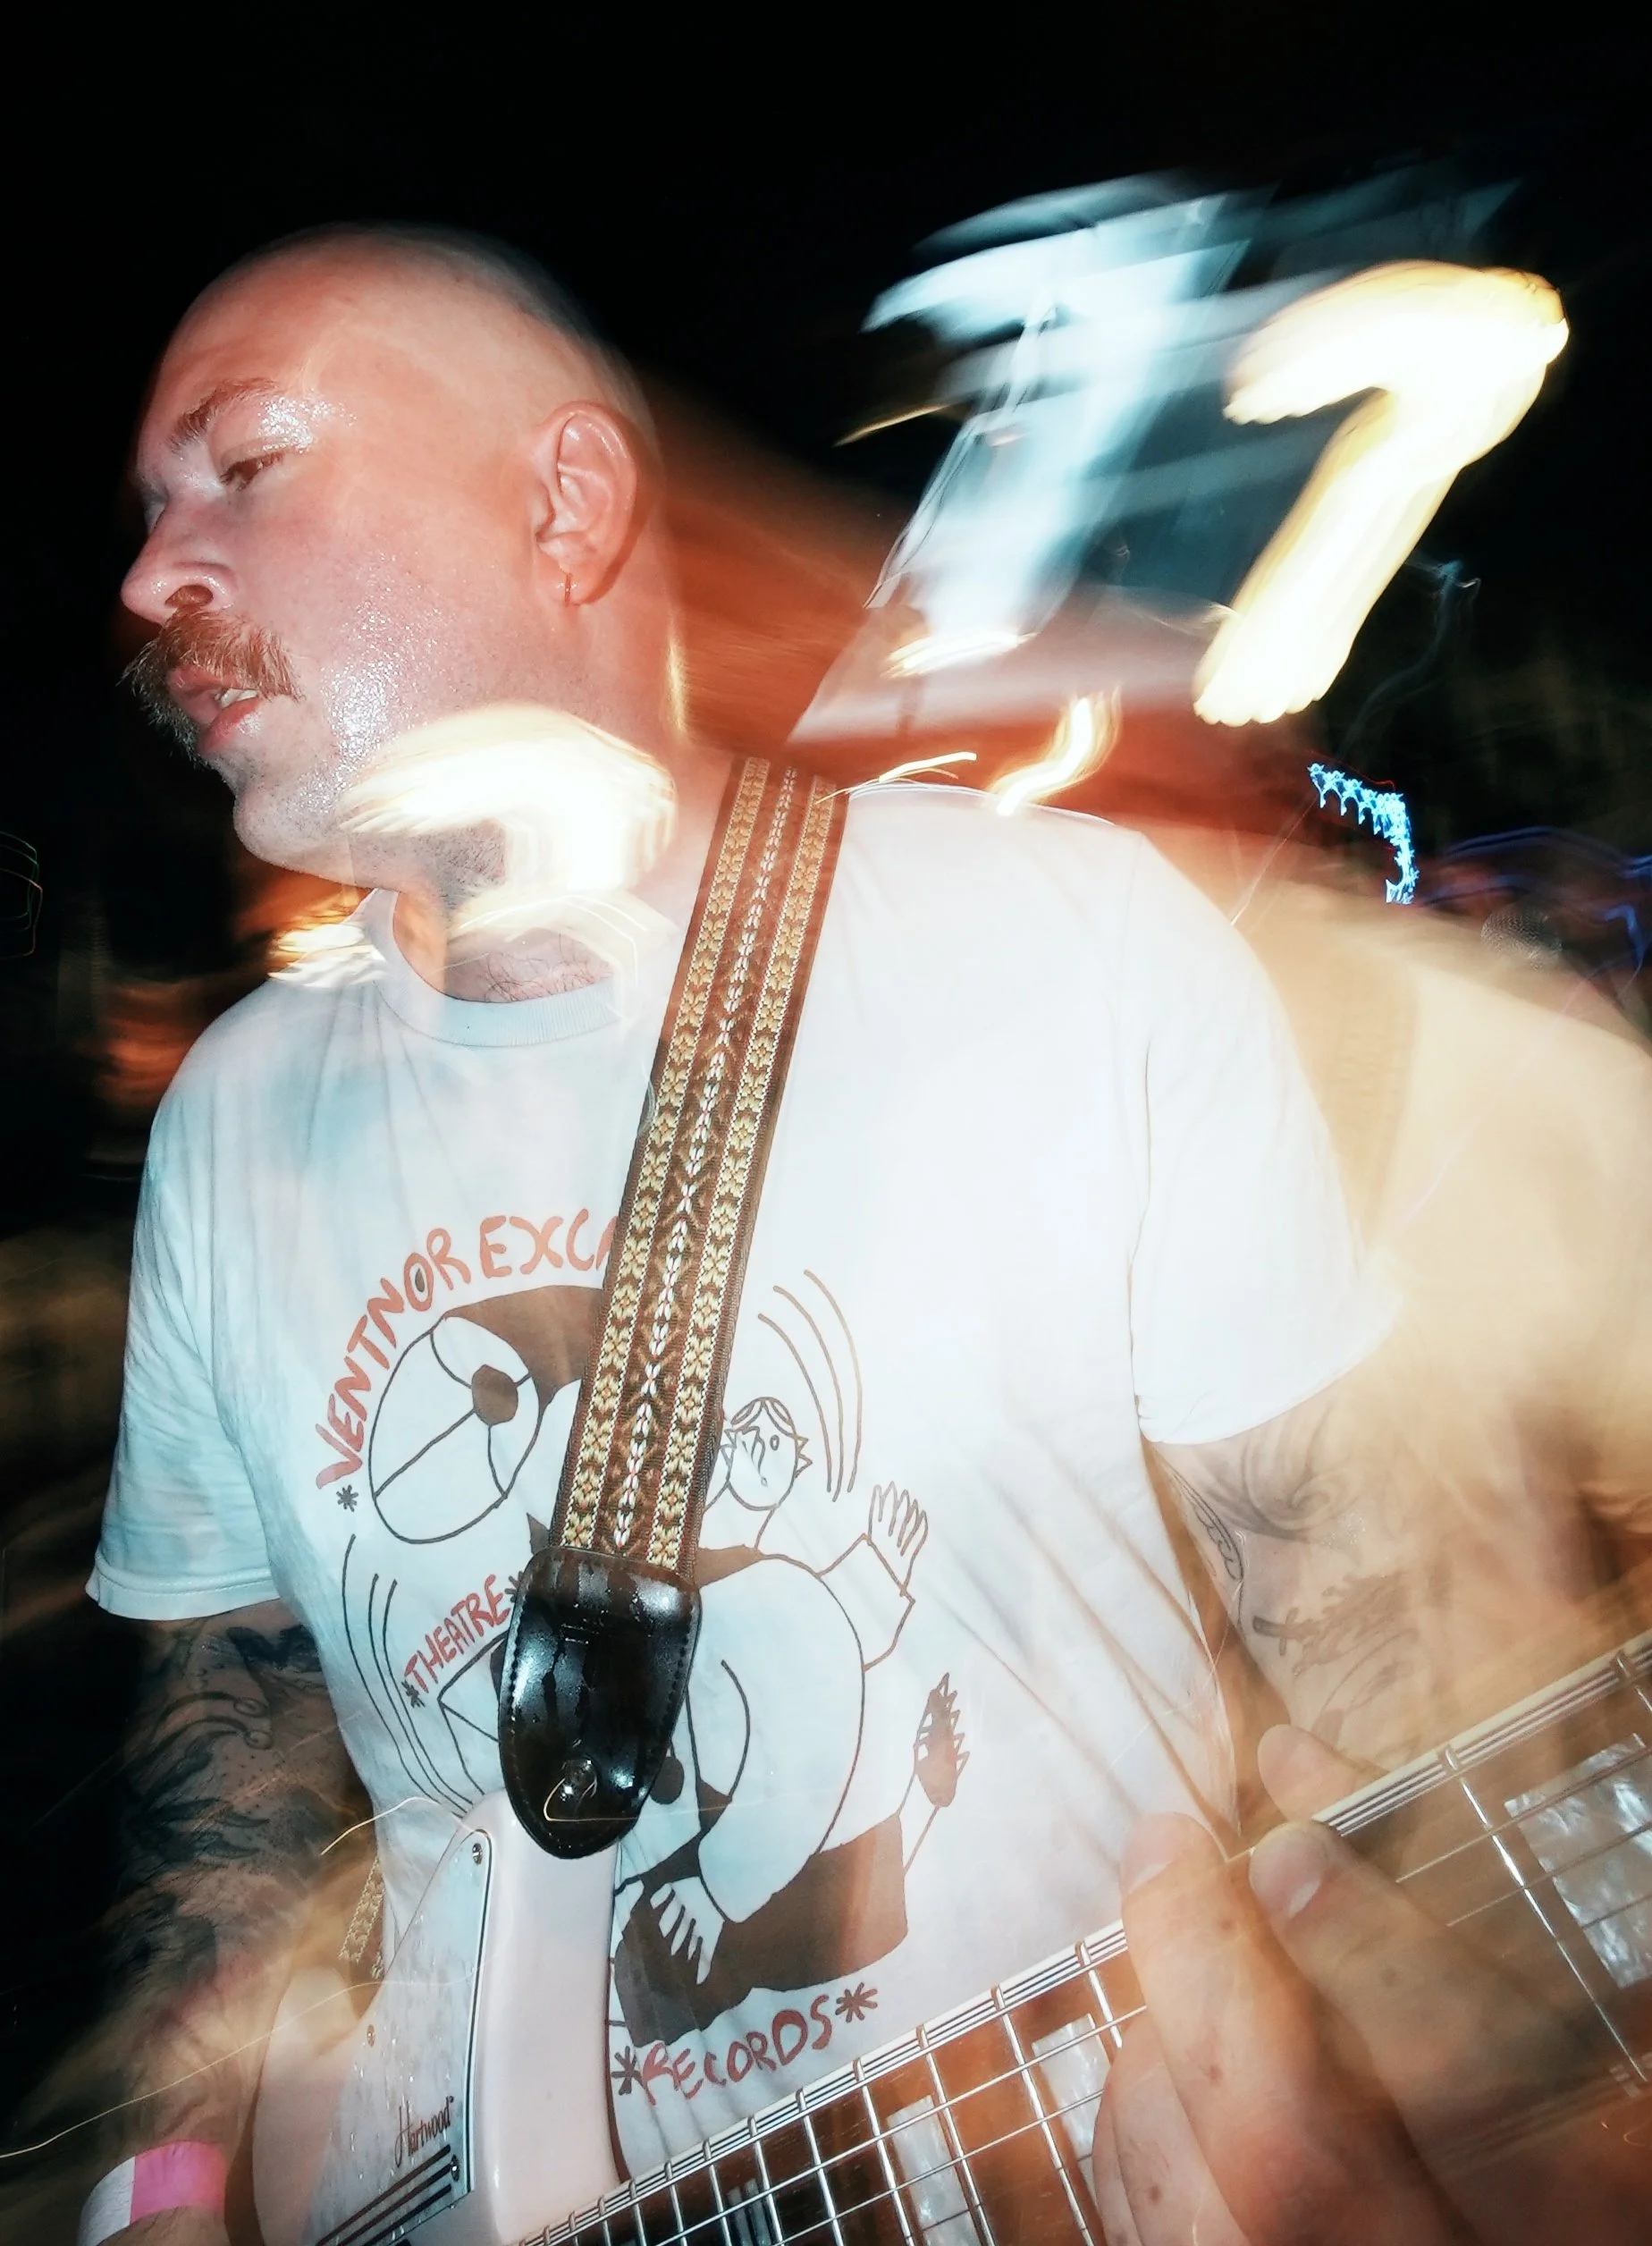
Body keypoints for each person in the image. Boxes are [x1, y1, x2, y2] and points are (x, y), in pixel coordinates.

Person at [75, 223, 1629, 2246]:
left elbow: (1410, 1699)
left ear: (564, 503)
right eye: (150, 506)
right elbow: (245, 1726)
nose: (152, 573)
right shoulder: (228, 1124)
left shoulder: (1066, 942)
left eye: (243, 467)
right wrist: (171, 2173)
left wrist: (1411, 2087)